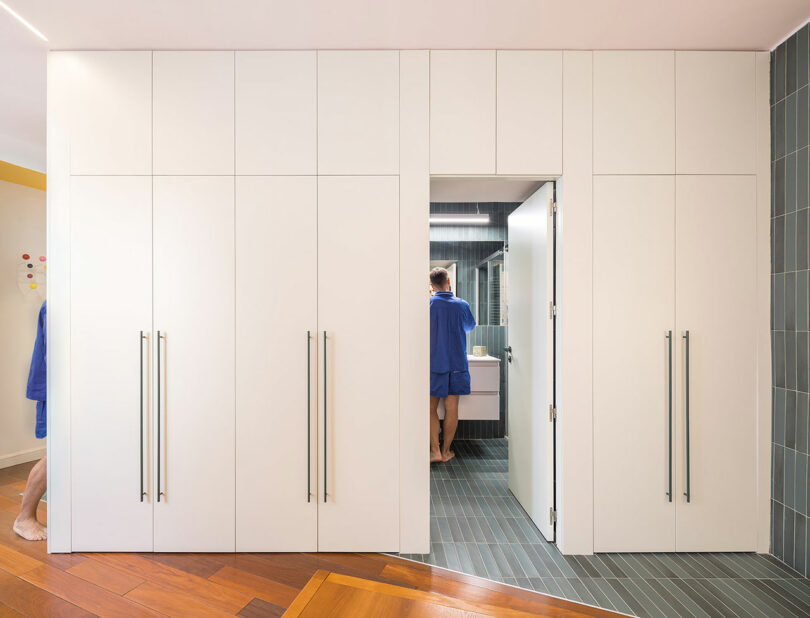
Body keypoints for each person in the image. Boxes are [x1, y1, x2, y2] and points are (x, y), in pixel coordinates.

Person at [429, 268, 475, 463]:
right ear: (448, 280)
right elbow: (469, 327)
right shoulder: (461, 305)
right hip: (456, 363)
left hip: (433, 363)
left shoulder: (428, 304)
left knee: (430, 409)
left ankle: (435, 451)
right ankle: (447, 452)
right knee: (451, 408)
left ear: (431, 285)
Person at [14, 301, 47, 541]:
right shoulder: (54, 304)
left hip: (69, 389)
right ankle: (24, 518)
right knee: (57, 454)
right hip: (58, 390)